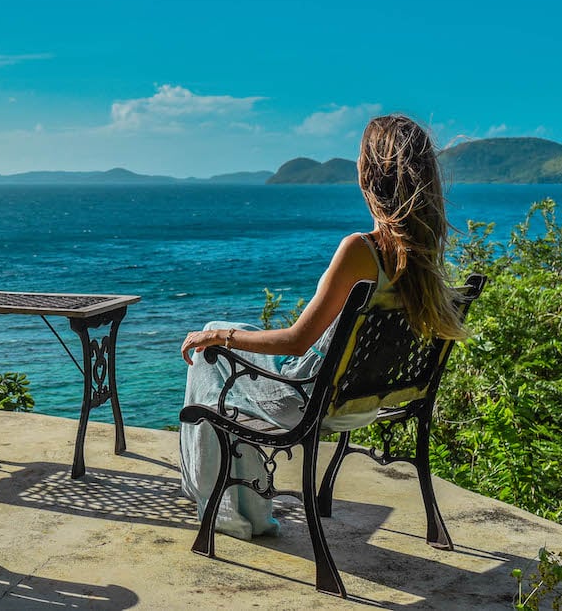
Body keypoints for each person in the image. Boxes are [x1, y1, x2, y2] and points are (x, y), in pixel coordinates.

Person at [178, 114, 468, 538]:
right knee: (222, 332)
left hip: (308, 398)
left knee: (209, 348)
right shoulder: (422, 257)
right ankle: (244, 509)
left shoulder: (361, 250)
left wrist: (219, 337)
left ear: (370, 175)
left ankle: (225, 508)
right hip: (366, 399)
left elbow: (297, 343)